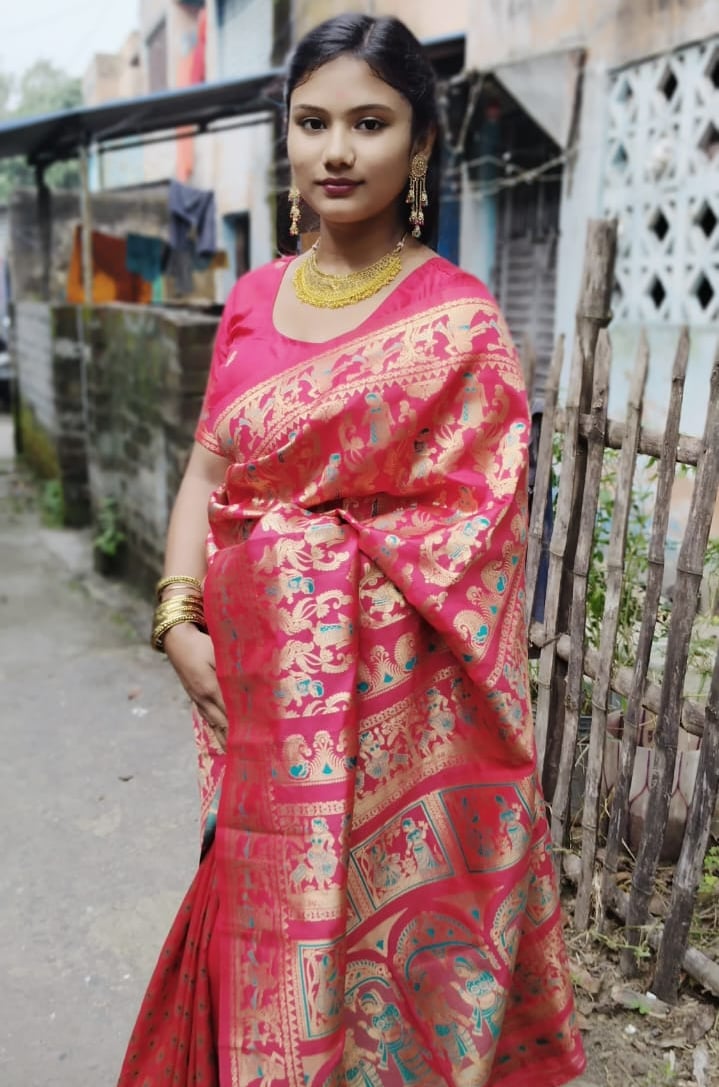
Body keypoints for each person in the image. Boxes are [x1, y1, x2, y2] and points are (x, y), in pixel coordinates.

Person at [117, 13, 586, 1087]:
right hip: (258, 718)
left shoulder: (460, 325)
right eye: (312, 122)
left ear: (420, 142)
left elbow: (474, 548)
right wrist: (178, 614)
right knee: (258, 962)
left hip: (398, 745)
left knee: (386, 1006)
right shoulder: (251, 301)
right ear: (286, 134)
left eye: (369, 124)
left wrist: (294, 567)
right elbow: (205, 474)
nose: (336, 151)